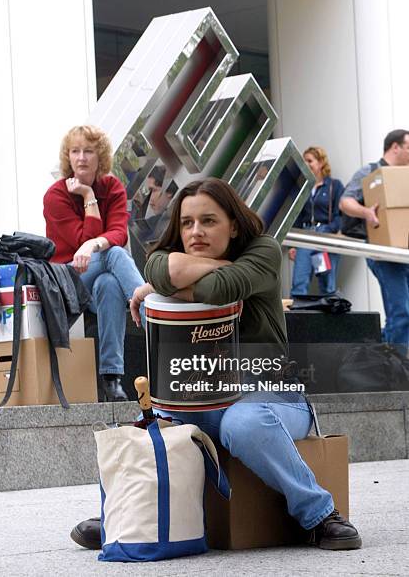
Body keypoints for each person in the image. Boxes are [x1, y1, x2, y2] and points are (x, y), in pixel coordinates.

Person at [71, 178, 362, 551]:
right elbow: (169, 269)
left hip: (271, 393)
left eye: (209, 221)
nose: (196, 232)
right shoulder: (163, 257)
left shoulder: (264, 252)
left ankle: (320, 514)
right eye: (187, 223)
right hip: (200, 394)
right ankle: (125, 517)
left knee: (243, 423)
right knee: (153, 426)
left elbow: (218, 290)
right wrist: (176, 278)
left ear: (234, 225)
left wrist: (164, 286)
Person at [43, 125, 145, 401]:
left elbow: (118, 232)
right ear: (68, 157)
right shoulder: (56, 195)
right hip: (66, 281)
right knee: (114, 255)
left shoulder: (112, 187)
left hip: (96, 276)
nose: (81, 158)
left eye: (88, 151)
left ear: (100, 156)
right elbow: (81, 242)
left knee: (110, 283)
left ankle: (111, 378)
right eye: (75, 151)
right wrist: (88, 198)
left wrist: (94, 244)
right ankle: (156, 324)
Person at [339, 129, 409, 355]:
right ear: (395, 147)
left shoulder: (405, 175)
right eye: (408, 147)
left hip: (405, 252)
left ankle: (393, 358)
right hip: (383, 253)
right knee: (400, 310)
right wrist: (367, 213)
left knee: (402, 311)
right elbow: (345, 202)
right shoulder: (370, 173)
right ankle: (398, 367)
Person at [289, 147, 344, 295]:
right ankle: (298, 317)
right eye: (304, 161)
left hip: (325, 238)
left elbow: (341, 215)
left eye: (310, 161)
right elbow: (297, 217)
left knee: (326, 284)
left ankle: (328, 316)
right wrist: (293, 245)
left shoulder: (334, 185)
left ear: (320, 163)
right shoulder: (303, 188)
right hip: (306, 237)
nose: (306, 164)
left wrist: (329, 229)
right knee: (299, 284)